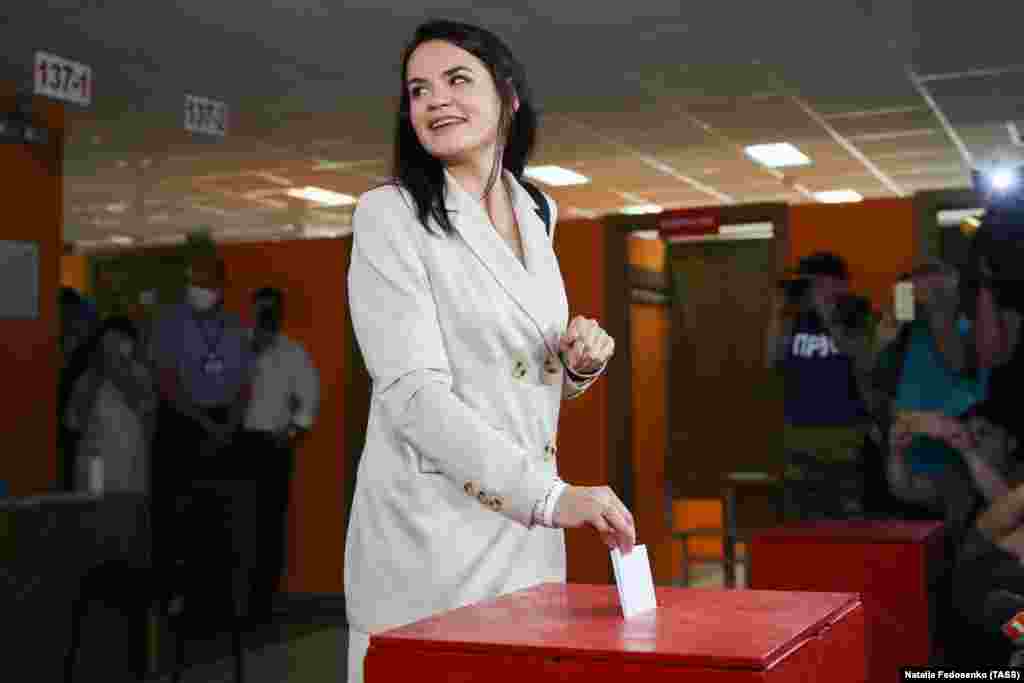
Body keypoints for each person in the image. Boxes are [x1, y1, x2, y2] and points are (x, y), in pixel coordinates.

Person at [344, 19, 634, 683]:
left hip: (523, 543)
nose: (435, 100)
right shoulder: (389, 215)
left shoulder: (538, 207)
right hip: (431, 541)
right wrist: (551, 497)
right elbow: (414, 397)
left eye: (456, 80)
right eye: (418, 90)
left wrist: (577, 365)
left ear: (509, 96)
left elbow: (522, 370)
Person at [147, 254, 253, 568]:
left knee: (219, 522)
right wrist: (206, 423)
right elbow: (166, 383)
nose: (199, 288)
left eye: (205, 282)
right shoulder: (169, 323)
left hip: (225, 430)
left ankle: (214, 601)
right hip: (181, 425)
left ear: (220, 285)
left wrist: (229, 426)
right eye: (193, 282)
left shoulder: (234, 326)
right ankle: (171, 599)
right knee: (173, 521)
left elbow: (244, 384)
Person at [767, 251, 877, 521]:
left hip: (845, 433)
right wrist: (778, 313)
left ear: (838, 283)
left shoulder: (858, 313)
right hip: (800, 433)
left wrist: (829, 316)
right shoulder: (794, 317)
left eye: (815, 282)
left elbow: (864, 360)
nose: (810, 290)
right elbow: (772, 358)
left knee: (846, 517)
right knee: (802, 517)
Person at [874, 262, 989, 516]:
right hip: (910, 445)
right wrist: (893, 321)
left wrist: (940, 306)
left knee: (961, 519)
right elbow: (879, 377)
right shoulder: (906, 330)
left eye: (936, 285)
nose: (922, 294)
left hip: (958, 443)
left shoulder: (970, 325)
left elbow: (958, 362)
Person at [236, 286, 319, 623]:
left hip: (272, 446)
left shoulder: (293, 353)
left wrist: (292, 433)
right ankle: (228, 600)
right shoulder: (237, 347)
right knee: (233, 523)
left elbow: (309, 400)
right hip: (234, 442)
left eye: (272, 310)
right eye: (261, 310)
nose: (266, 316)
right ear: (252, 311)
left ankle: (261, 604)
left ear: (280, 314)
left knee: (268, 526)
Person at [64, 316, 155, 494]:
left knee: (129, 514)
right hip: (96, 464)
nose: (116, 348)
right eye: (110, 342)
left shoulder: (141, 374)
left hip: (131, 462)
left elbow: (148, 419)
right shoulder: (88, 378)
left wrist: (120, 375)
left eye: (121, 341)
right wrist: (97, 378)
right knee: (96, 514)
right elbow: (75, 424)